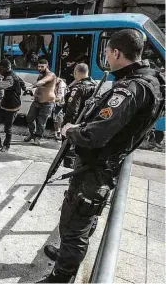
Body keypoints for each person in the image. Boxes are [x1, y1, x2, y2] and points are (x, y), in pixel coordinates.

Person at [38, 29, 165, 283]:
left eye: (107, 53)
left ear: (116, 53)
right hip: (103, 165)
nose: (106, 57)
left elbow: (93, 136)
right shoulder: (151, 80)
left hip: (96, 169)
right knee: (82, 220)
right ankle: (66, 255)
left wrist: (71, 130)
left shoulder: (130, 88)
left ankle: (60, 277)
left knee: (75, 226)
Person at [62, 63, 97, 168]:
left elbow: (72, 109)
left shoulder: (78, 88)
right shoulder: (94, 86)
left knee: (69, 150)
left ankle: (69, 169)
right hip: (88, 123)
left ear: (75, 73)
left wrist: (67, 124)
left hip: (75, 124)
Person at [0, 60, 25, 152]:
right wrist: (24, 88)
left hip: (12, 106)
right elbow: (21, 82)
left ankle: (6, 145)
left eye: (1, 69)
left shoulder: (11, 77)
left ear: (7, 68)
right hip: (4, 104)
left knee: (7, 128)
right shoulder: (12, 74)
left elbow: (3, 85)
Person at [24, 59, 57, 145]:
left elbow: (42, 82)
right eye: (38, 66)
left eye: (42, 66)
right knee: (29, 118)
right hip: (37, 101)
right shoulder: (40, 75)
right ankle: (32, 134)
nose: (39, 68)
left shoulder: (51, 75)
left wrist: (31, 87)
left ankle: (38, 138)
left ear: (47, 66)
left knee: (41, 121)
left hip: (47, 102)